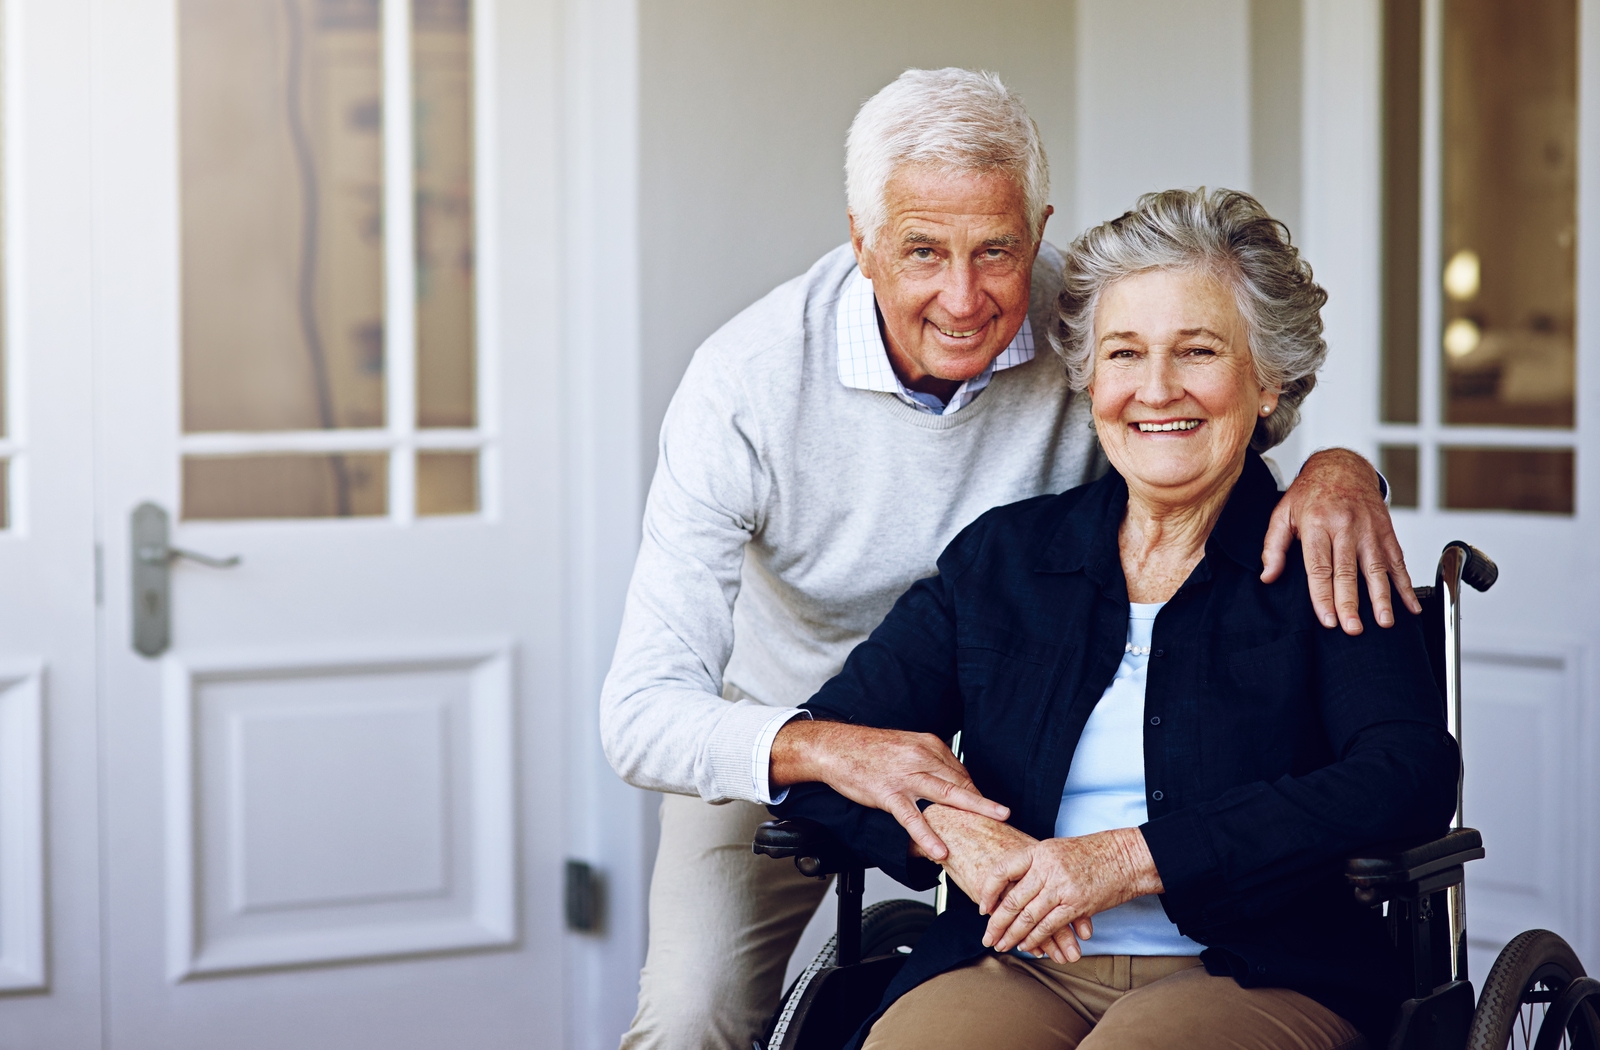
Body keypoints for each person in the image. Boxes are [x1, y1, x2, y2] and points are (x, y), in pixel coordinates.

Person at [601, 69, 1418, 1050]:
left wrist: (1340, 468)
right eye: (920, 251)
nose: (963, 293)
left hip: (1224, 939)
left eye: (996, 249)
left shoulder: (1110, 327)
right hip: (790, 723)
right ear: (860, 243)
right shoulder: (752, 390)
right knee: (692, 1019)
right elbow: (644, 715)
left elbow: (1202, 414)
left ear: (1036, 231)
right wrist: (901, 801)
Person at [770, 187, 1458, 1050]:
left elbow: (1405, 774)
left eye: (1199, 350)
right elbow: (823, 751)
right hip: (1014, 959)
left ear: (1268, 376)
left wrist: (1132, 857)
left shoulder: (1324, 552)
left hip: (1253, 968)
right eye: (1124, 353)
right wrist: (951, 841)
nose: (1156, 389)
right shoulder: (1006, 563)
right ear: (1089, 377)